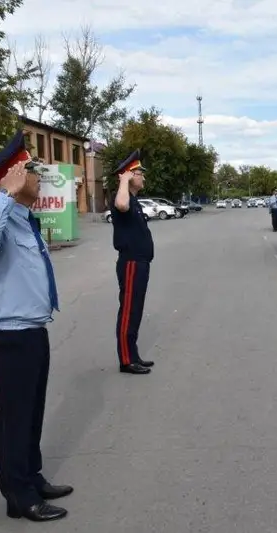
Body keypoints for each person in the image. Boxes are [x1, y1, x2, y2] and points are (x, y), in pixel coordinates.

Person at [0, 130, 72, 522]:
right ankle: (19, 496)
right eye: (30, 170)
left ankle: (32, 477)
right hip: (7, 334)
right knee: (14, 418)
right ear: (12, 177)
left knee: (31, 413)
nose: (38, 177)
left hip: (31, 331)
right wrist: (4, 195)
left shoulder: (23, 220)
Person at [111, 150, 155, 374]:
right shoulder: (122, 198)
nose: (143, 177)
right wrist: (123, 180)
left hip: (140, 263)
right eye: (139, 173)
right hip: (131, 263)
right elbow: (121, 205)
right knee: (129, 311)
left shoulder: (134, 200)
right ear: (128, 176)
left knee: (136, 310)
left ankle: (133, 354)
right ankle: (127, 360)